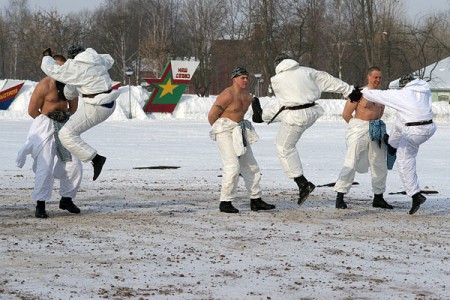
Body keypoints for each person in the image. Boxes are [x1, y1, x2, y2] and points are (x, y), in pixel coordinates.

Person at [252, 53, 362, 206]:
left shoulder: (276, 79)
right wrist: (349, 90)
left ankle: (302, 183)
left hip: (296, 116)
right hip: (311, 111)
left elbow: (283, 102)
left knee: (284, 147)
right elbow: (328, 79)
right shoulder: (308, 71)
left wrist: (263, 115)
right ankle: (263, 116)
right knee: (288, 107)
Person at [16, 55, 83, 218]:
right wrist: (49, 118)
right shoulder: (44, 85)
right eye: (58, 67)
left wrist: (62, 117)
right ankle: (40, 204)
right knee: (44, 167)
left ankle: (66, 199)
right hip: (45, 126)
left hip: (64, 126)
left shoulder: (70, 85)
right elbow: (32, 110)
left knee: (75, 163)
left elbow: (73, 108)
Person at [40, 45, 119, 181]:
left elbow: (51, 69)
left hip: (97, 107)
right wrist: (67, 93)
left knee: (66, 135)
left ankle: (96, 159)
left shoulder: (76, 67)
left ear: (73, 58)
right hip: (108, 102)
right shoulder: (98, 59)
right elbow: (109, 59)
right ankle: (95, 159)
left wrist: (47, 56)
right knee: (76, 84)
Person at [361, 74, 436, 215]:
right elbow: (399, 124)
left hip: (414, 131)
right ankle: (392, 145)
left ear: (405, 84)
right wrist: (392, 144)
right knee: (402, 120)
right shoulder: (425, 91)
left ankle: (415, 195)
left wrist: (360, 91)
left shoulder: (404, 94)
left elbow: (381, 95)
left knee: (404, 160)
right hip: (428, 128)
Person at [208, 66, 275, 213]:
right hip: (225, 130)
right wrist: (221, 132)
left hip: (239, 130)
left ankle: (256, 200)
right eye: (242, 78)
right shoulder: (227, 94)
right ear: (234, 79)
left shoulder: (248, 97)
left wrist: (259, 111)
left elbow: (257, 116)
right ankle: (225, 202)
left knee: (251, 166)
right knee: (232, 167)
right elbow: (212, 116)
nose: (245, 80)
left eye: (246, 78)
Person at [334, 67, 393, 210]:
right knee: (352, 160)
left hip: (375, 128)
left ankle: (378, 197)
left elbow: (379, 114)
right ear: (368, 77)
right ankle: (340, 195)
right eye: (375, 77)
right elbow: (346, 114)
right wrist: (357, 127)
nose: (378, 80)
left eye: (380, 78)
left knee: (379, 162)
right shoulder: (358, 93)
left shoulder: (381, 95)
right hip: (359, 128)